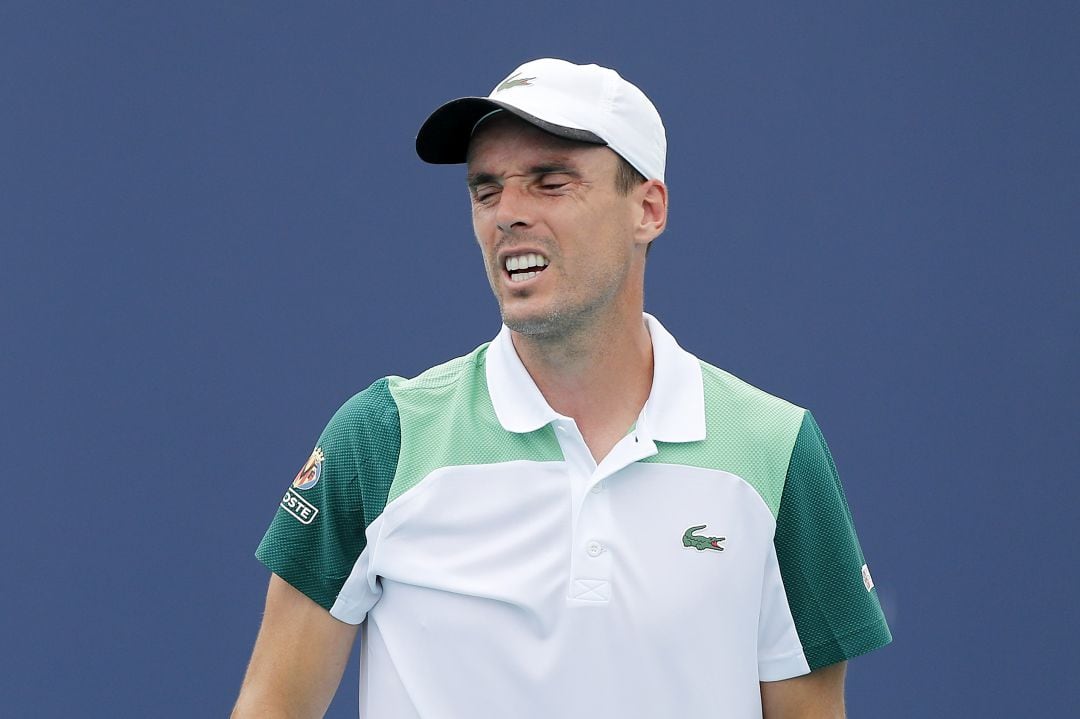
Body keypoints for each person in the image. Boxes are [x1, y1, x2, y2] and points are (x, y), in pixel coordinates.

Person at [232, 58, 892, 718]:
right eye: (486, 190)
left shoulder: (776, 450)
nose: (507, 214)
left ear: (648, 208)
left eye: (550, 183)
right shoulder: (381, 438)